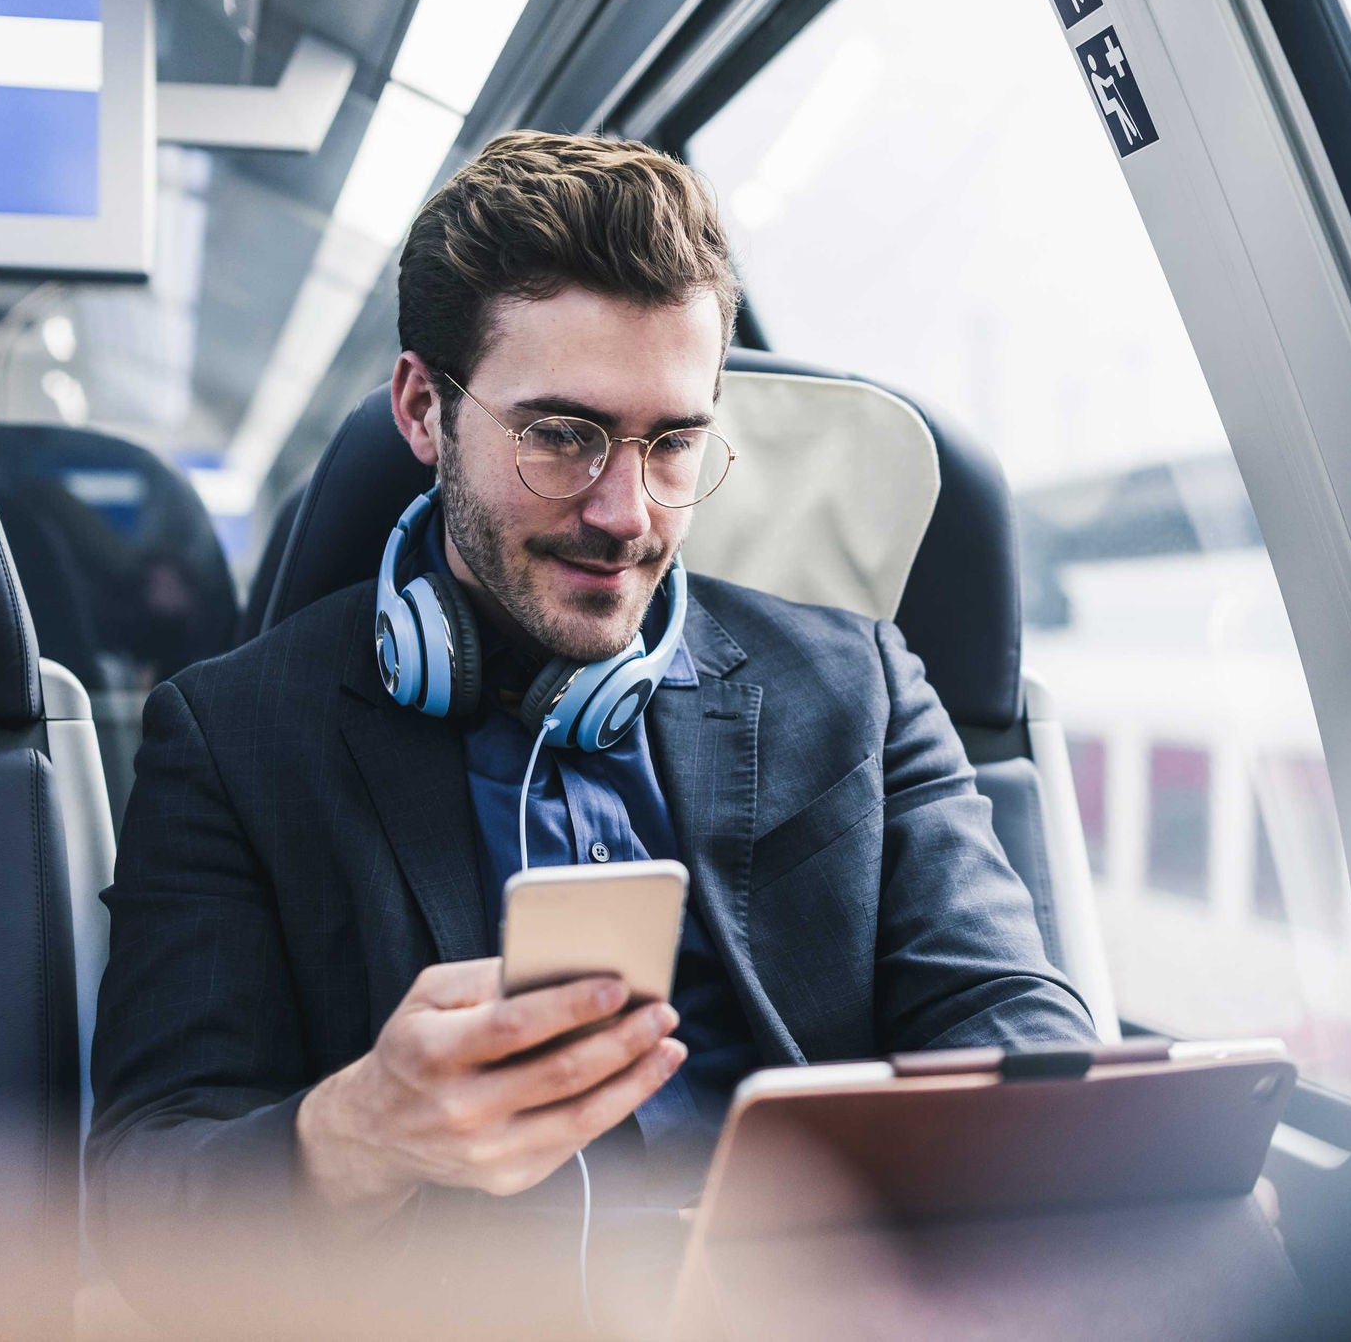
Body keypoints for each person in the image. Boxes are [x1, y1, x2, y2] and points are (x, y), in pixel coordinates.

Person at [87, 132, 1095, 1335]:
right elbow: (143, 1205)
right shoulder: (237, 735)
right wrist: (354, 1132)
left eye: (672, 444)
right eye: (560, 435)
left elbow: (1013, 1026)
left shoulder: (857, 687)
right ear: (423, 408)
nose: (625, 515)